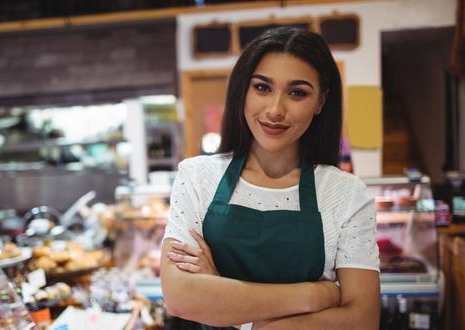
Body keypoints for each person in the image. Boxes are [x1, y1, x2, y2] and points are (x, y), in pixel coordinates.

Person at [160, 27, 380, 330]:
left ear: (320, 102)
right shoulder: (197, 176)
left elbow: (362, 320)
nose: (275, 110)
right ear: (243, 91)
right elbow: (180, 297)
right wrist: (317, 295)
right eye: (262, 88)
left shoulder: (345, 193)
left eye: (297, 93)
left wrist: (222, 295)